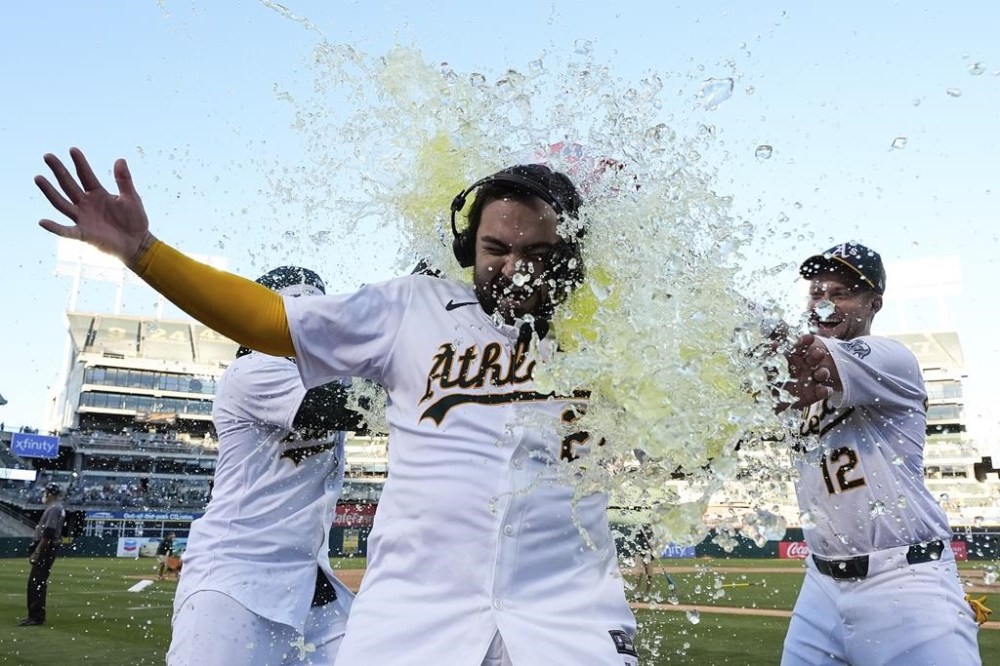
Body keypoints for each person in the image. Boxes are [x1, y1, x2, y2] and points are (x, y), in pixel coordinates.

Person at [35, 149, 638, 665]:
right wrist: (143, 251)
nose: (512, 268)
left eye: (535, 253)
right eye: (494, 248)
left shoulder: (619, 332)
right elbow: (272, 324)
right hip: (403, 615)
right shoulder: (404, 312)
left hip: (565, 616)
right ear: (467, 246)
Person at [776, 242, 982, 665]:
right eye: (817, 293)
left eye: (841, 293)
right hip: (820, 584)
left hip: (905, 583)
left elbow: (812, 363)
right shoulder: (794, 381)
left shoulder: (890, 358)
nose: (826, 303)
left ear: (874, 303)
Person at [167, 266, 359, 666]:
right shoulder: (253, 368)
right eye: (297, 314)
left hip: (308, 584)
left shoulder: (326, 372)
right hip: (234, 583)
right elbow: (347, 408)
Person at [20, 482, 66, 627]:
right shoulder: (57, 508)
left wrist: (37, 551)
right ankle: (36, 615)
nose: (43, 495)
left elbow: (48, 532)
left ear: (50, 494)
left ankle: (36, 616)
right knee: (37, 582)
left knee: (36, 582)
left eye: (45, 493)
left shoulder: (54, 508)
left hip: (47, 548)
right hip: (49, 547)